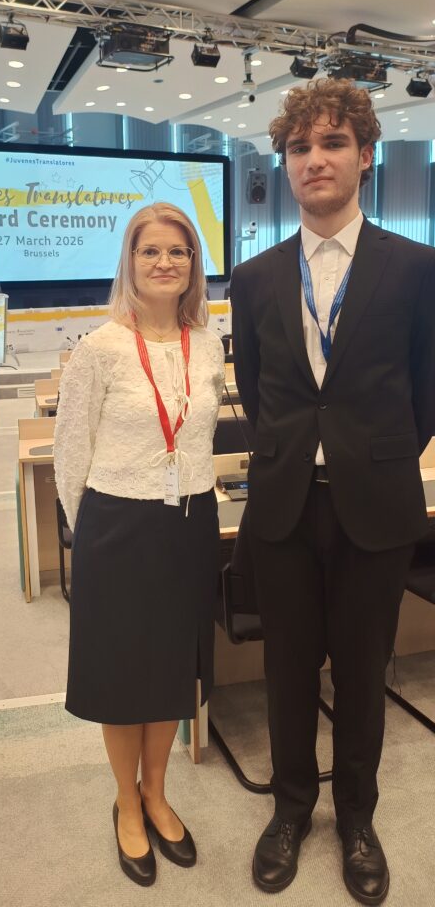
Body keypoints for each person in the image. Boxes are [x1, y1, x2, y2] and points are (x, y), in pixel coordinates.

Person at [230, 78, 435, 905]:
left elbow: (427, 389)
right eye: (299, 147)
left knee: (361, 672)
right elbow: (257, 389)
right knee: (285, 673)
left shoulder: (417, 268)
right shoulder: (254, 277)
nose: (314, 159)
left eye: (332, 143)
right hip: (284, 505)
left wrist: (373, 456)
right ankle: (290, 810)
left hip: (375, 506)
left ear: (365, 155)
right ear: (285, 163)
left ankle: (356, 818)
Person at [54, 203, 224, 887]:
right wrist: (95, 532)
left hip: (189, 521)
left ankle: (157, 793)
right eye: (150, 251)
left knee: (170, 669)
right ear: (129, 261)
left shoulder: (207, 343)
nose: (164, 262)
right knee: (122, 675)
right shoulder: (99, 348)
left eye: (178, 251)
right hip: (118, 526)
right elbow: (70, 456)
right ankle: (126, 801)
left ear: (193, 265)